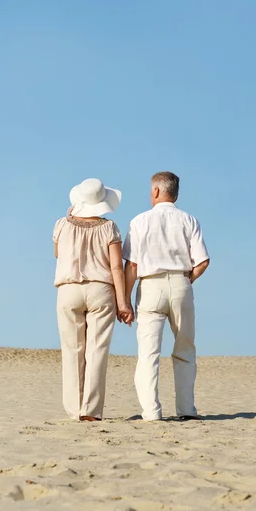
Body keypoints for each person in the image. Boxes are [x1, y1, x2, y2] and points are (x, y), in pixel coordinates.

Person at [123, 171, 209, 421]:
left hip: (150, 285)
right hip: (180, 283)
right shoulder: (188, 220)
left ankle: (151, 412)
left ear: (156, 191)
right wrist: (186, 279)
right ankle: (186, 410)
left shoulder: (140, 221)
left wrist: (125, 300)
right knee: (185, 349)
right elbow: (203, 261)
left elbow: (132, 266)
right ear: (176, 193)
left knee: (148, 353)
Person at [53, 178, 134, 422]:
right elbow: (117, 268)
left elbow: (57, 253)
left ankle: (74, 408)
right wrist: (123, 303)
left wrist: (70, 216)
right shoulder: (109, 228)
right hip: (101, 289)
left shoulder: (61, 225)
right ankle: (91, 410)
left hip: (69, 290)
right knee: (97, 350)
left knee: (72, 350)